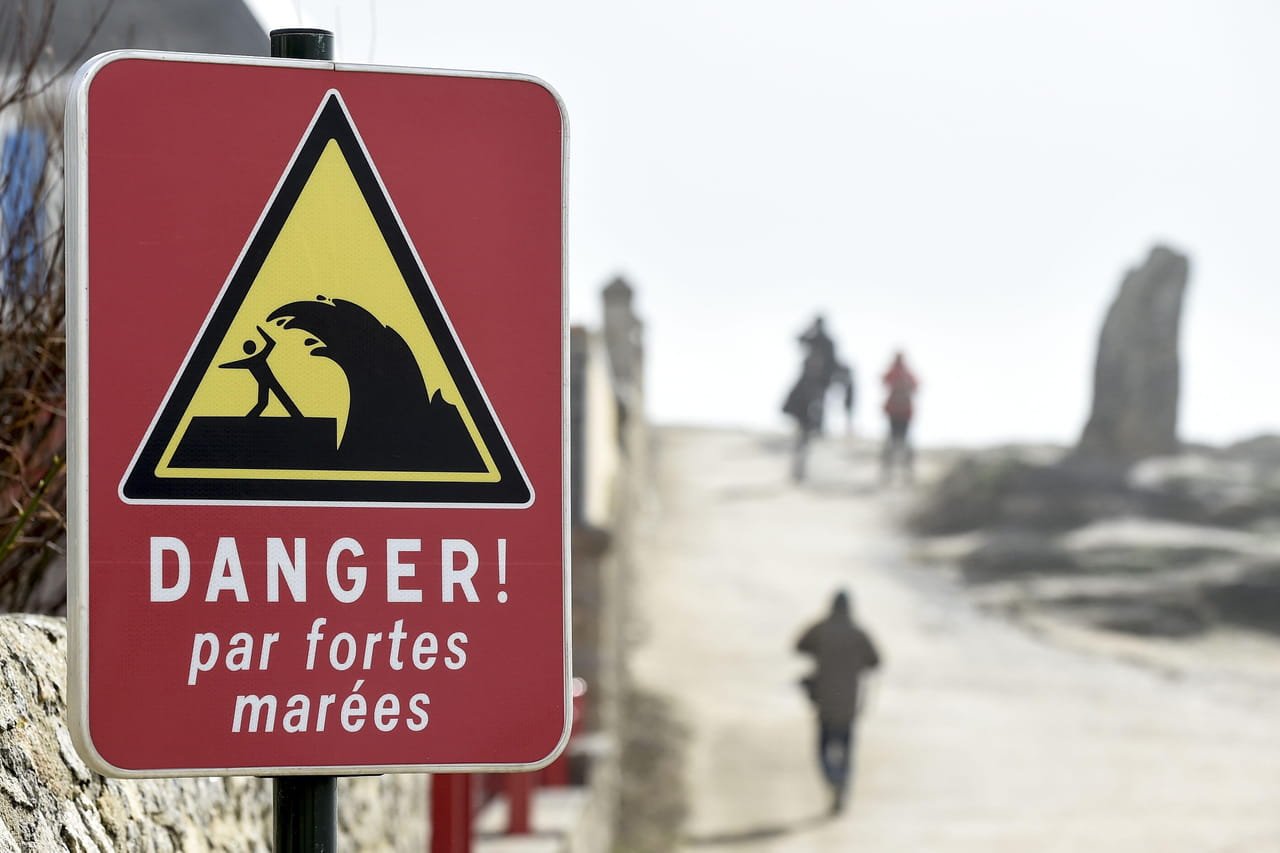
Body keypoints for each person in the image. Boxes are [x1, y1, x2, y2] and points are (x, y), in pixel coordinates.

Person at [795, 590, 881, 814]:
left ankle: (832, 778)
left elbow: (799, 646)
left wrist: (820, 653)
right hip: (850, 704)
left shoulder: (821, 628)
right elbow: (876, 661)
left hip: (824, 702)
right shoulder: (858, 633)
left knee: (823, 749)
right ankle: (841, 783)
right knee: (847, 751)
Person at [880, 350, 918, 483]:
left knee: (898, 443)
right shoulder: (904, 373)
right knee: (897, 443)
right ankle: (892, 473)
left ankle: (902, 473)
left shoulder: (903, 374)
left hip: (901, 413)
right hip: (898, 413)